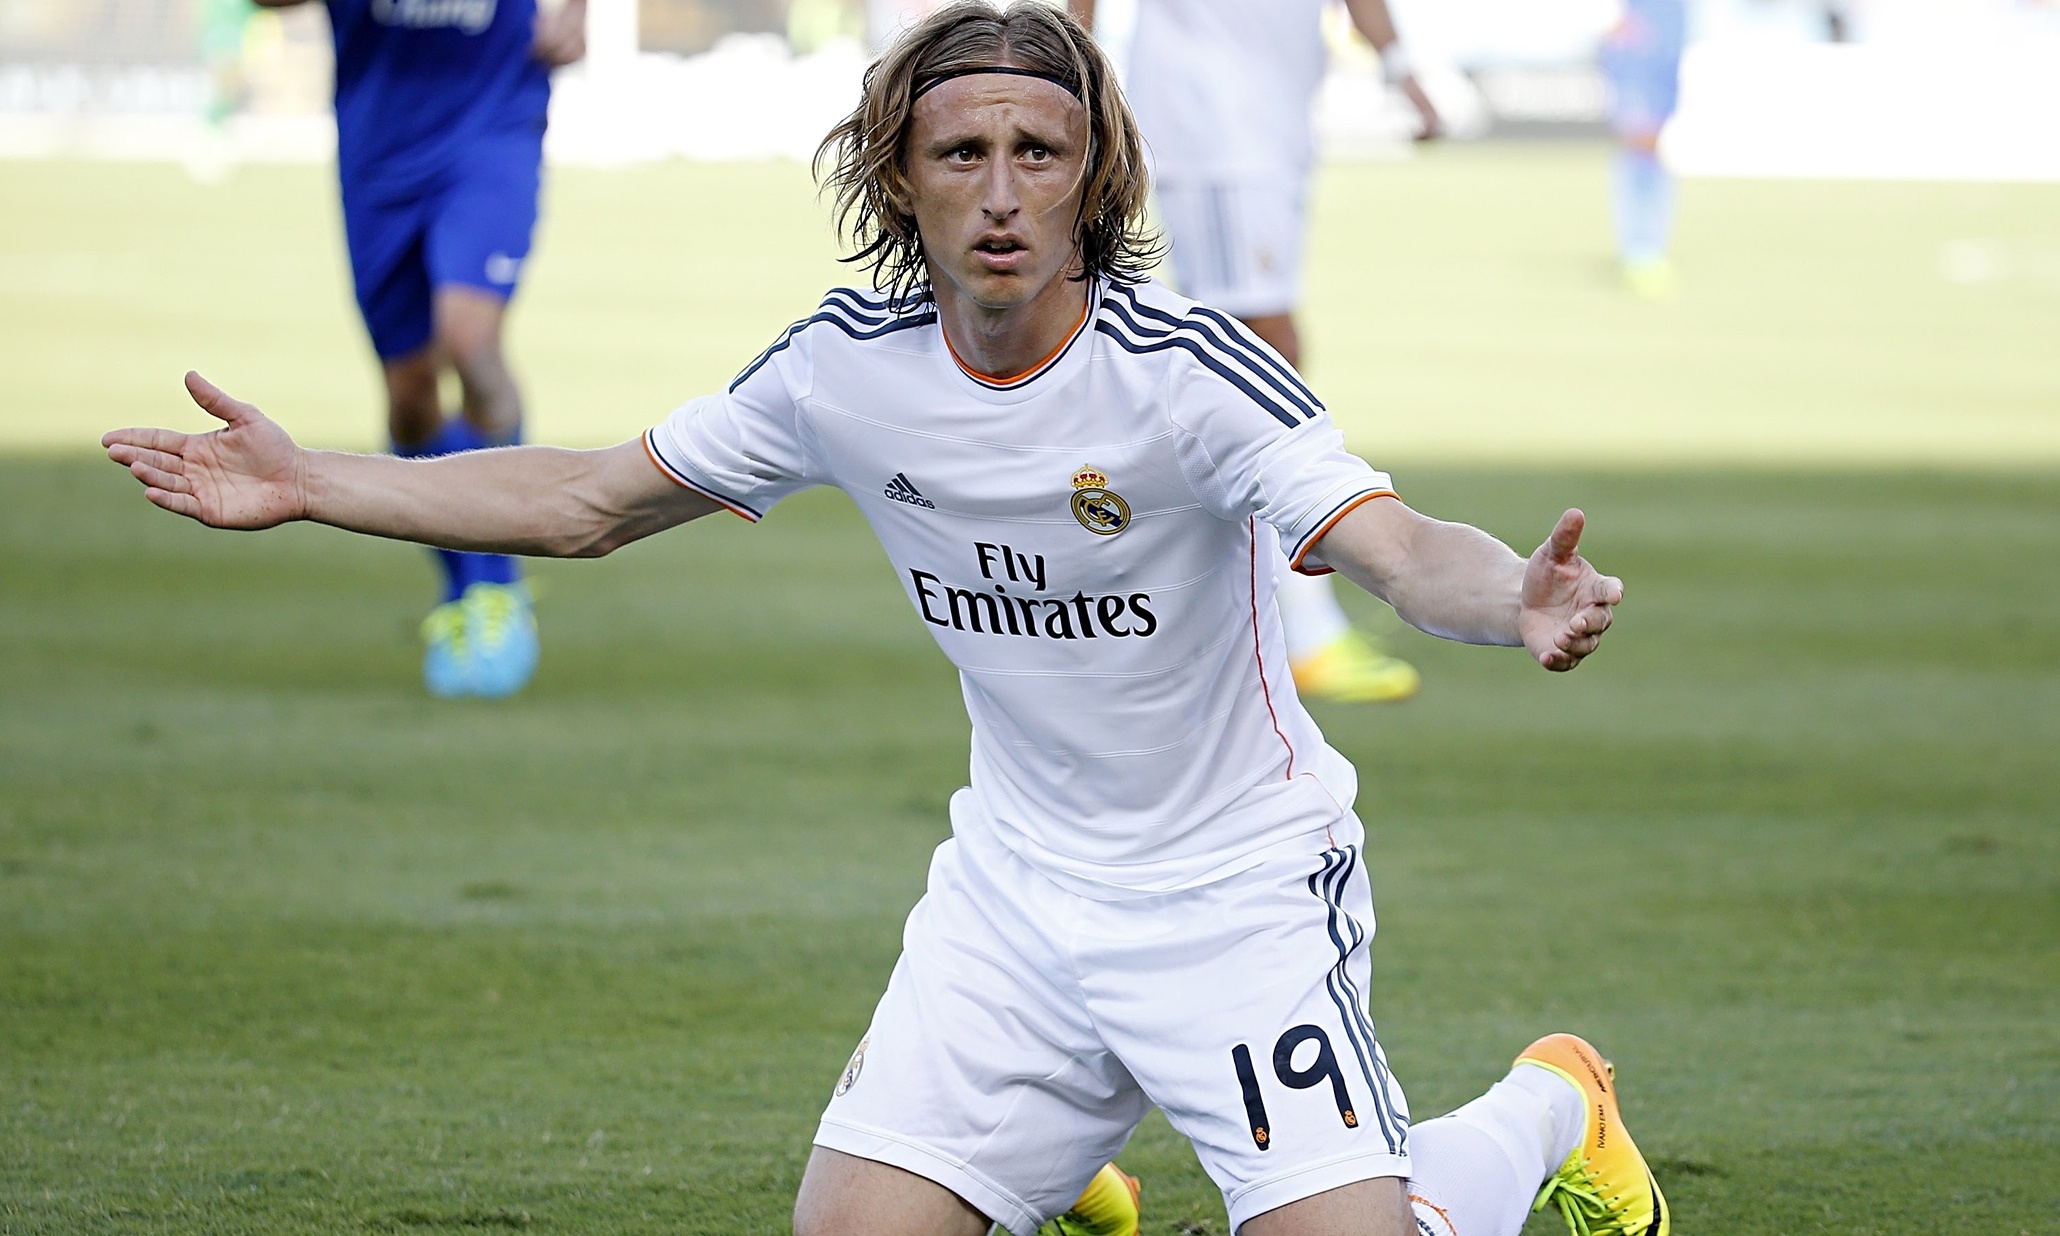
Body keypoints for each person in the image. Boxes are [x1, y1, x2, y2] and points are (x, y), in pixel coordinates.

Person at [104, 6, 1665, 1235]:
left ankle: (1552, 1106)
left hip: (1234, 897)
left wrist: (1507, 597)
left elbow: (1397, 548)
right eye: (962, 151)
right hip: (1016, 901)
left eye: (1040, 152)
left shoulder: (1185, 374)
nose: (1002, 192)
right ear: (899, 178)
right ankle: (1049, 1159)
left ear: (1096, 179)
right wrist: (314, 481)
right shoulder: (843, 368)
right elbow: (583, 500)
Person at [1076, 0, 1439, 704]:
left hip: (1275, 116)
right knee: (1254, 357)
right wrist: (1074, 73)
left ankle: (1237, 614)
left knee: (1255, 359)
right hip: (1213, 119)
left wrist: (1401, 69)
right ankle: (1299, 627)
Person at [251, 0, 589, 696]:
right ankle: (464, 583)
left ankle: (498, 580)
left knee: (470, 339)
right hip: (380, 149)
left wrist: (577, 12)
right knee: (409, 394)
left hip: (492, 120)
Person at [1600, 0, 1687, 298]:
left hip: (1670, 28)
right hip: (1640, 29)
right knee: (1641, 139)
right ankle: (1640, 248)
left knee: (1654, 143)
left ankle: (1646, 247)